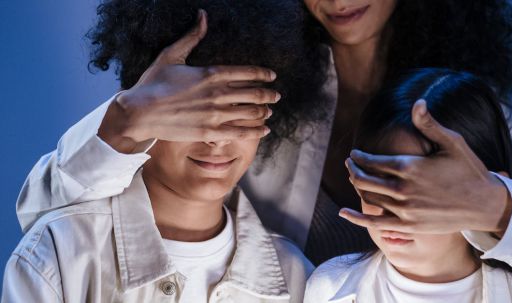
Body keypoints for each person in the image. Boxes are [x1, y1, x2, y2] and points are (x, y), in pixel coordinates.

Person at [14, 0, 512, 297]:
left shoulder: (469, 117)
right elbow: (48, 221)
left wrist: (492, 207)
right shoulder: (247, 92)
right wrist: (128, 118)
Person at [2, 0, 330, 302]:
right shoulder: (58, 256)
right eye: (196, 114)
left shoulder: (298, 280)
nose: (216, 139)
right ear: (150, 105)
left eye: (240, 111)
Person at [304, 68, 512, 303]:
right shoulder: (327, 287)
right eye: (377, 185)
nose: (392, 211)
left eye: (417, 192)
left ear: (488, 190)